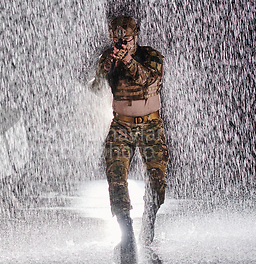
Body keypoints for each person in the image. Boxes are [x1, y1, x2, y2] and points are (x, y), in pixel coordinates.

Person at [90, 15, 169, 252]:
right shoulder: (109, 57)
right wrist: (105, 69)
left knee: (157, 180)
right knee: (115, 176)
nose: (122, 43)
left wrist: (128, 61)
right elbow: (95, 88)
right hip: (121, 126)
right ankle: (126, 232)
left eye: (127, 39)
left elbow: (149, 82)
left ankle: (149, 222)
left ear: (136, 37)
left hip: (151, 126)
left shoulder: (151, 56)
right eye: (117, 39)